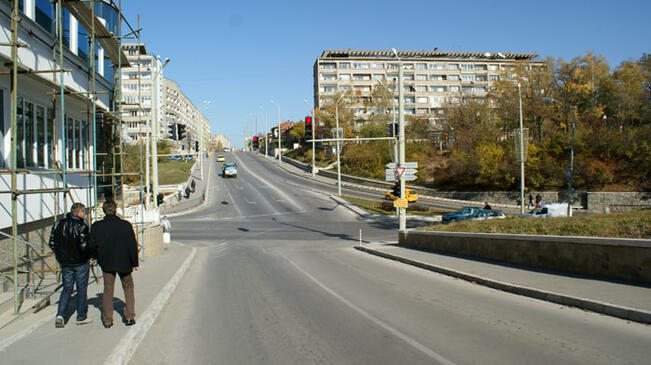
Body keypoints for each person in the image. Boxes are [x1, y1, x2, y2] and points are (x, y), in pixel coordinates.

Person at [90, 201, 139, 328]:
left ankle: (107, 320)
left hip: (106, 262)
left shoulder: (97, 226)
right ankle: (130, 317)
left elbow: (92, 246)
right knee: (128, 288)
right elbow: (132, 246)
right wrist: (135, 262)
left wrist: (97, 257)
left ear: (104, 211)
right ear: (115, 210)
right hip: (124, 262)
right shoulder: (125, 225)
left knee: (108, 289)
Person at [48, 202, 93, 328]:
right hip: (80, 263)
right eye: (84, 212)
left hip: (65, 263)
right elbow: (84, 246)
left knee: (67, 289)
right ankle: (81, 316)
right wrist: (89, 255)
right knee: (81, 289)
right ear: (79, 212)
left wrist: (61, 255)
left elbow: (51, 243)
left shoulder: (58, 224)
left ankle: (60, 314)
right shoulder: (82, 226)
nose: (84, 215)